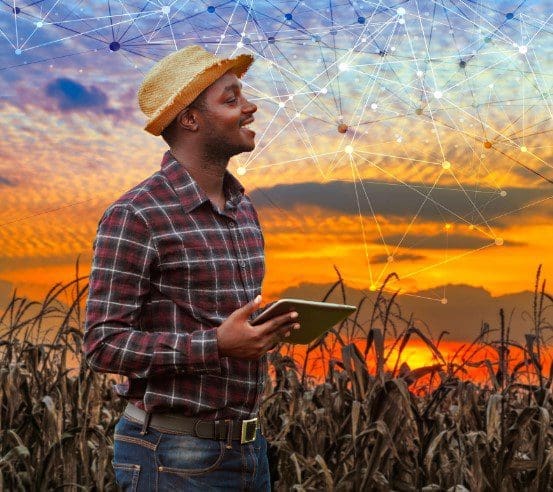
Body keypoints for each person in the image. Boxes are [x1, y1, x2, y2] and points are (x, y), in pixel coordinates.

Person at [84, 45, 300, 491]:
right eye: (231, 99)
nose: (250, 107)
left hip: (249, 450)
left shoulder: (243, 210)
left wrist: (264, 332)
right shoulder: (137, 214)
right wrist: (217, 345)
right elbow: (102, 344)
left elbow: (229, 327)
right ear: (189, 119)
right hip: (171, 456)